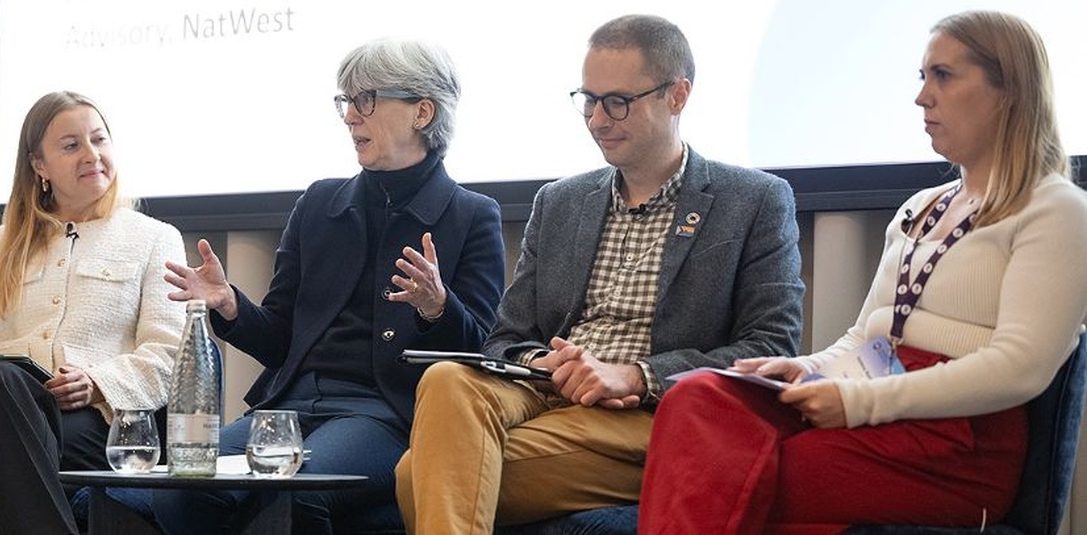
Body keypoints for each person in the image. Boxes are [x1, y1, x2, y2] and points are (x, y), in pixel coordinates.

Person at [639, 10, 1087, 533]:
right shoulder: (922, 207)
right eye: (923, 78)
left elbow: (1019, 369)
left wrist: (857, 401)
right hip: (883, 398)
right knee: (696, 395)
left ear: (1007, 88)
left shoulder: (1057, 210)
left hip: (959, 443)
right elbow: (866, 339)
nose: (923, 97)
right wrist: (811, 370)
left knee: (748, 472)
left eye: (943, 75)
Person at [394, 14, 804, 533]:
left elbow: (772, 347)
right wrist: (546, 361)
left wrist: (634, 375)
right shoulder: (561, 201)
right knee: (447, 377)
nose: (596, 119)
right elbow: (505, 340)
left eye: (618, 102)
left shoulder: (754, 200)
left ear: (677, 95)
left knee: (415, 477)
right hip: (543, 392)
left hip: (647, 415)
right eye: (588, 99)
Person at [148, 38, 505, 534]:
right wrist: (230, 306)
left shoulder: (471, 216)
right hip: (287, 410)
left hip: (385, 417)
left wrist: (436, 308)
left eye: (366, 100)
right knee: (171, 487)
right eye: (346, 101)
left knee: (290, 490)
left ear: (422, 112)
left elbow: (478, 356)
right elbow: (277, 338)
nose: (350, 117)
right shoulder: (319, 203)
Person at [0, 90, 187, 534]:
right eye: (71, 145)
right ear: (39, 165)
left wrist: (98, 383)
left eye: (99, 140)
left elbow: (168, 357)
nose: (92, 154)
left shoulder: (153, 238)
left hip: (91, 425)